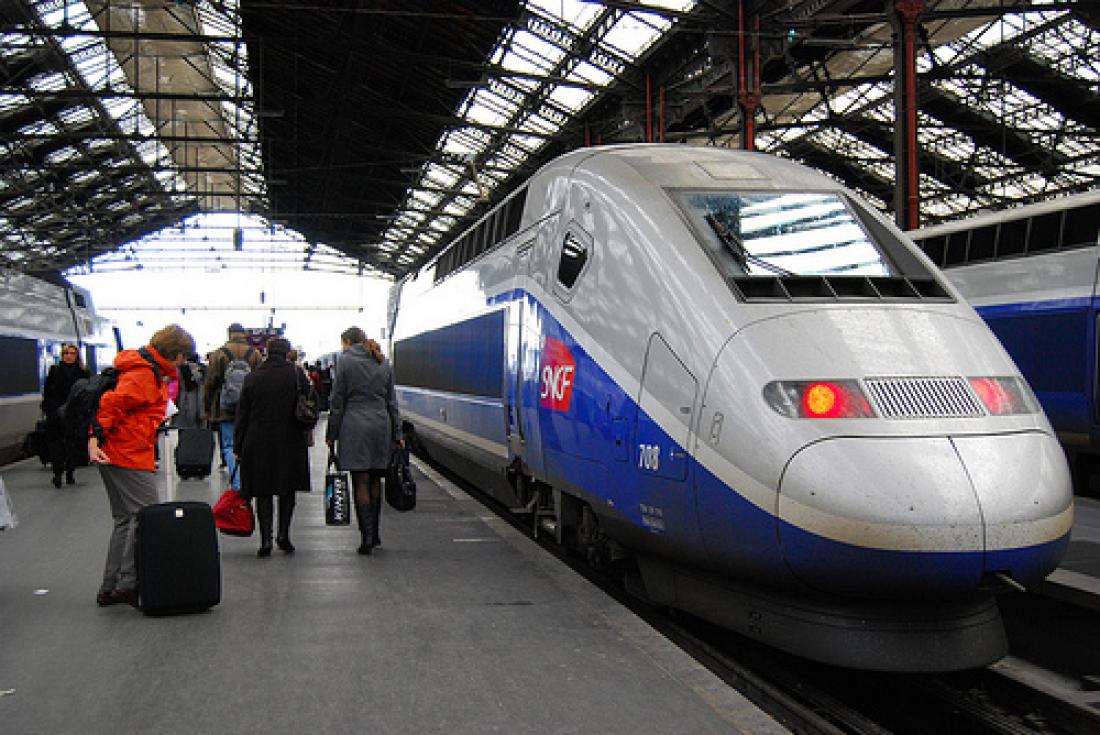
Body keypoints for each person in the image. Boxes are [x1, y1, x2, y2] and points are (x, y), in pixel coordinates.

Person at [89, 324, 196, 607]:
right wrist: (94, 439)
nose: (183, 363)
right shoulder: (143, 375)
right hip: (128, 453)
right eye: (183, 357)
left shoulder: (146, 371)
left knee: (125, 519)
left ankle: (110, 587)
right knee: (145, 517)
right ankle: (127, 584)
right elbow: (111, 405)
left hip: (118, 452)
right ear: (175, 353)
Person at [326, 327, 401, 555]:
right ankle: (375, 533)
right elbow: (392, 402)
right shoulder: (382, 361)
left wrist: (331, 434)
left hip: (354, 426)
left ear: (348, 342)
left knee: (361, 481)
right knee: (376, 480)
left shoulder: (345, 362)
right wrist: (397, 434)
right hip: (380, 425)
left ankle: (366, 537)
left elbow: (337, 401)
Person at [234, 337, 311, 557]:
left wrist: (238, 446)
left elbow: (242, 415)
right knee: (287, 491)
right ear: (287, 353)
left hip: (258, 440)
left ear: (267, 352)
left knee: (263, 491)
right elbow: (310, 401)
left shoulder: (253, 377)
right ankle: (283, 535)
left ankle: (265, 540)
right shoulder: (296, 374)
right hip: (290, 439)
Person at [203, 323, 261, 492]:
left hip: (224, 407)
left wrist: (208, 407)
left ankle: (237, 483)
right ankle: (250, 478)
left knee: (229, 445)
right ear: (243, 334)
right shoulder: (254, 354)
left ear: (229, 334)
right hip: (249, 407)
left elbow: (210, 382)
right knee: (248, 444)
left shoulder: (219, 354)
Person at [41, 343, 89, 487]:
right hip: (55, 415)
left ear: (76, 356)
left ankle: (70, 471)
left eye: (72, 353)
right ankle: (57, 473)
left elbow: (86, 394)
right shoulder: (54, 371)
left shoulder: (83, 373)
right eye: (66, 353)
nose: (69, 356)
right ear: (62, 355)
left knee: (71, 444)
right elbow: (47, 393)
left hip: (73, 415)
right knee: (56, 445)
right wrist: (52, 410)